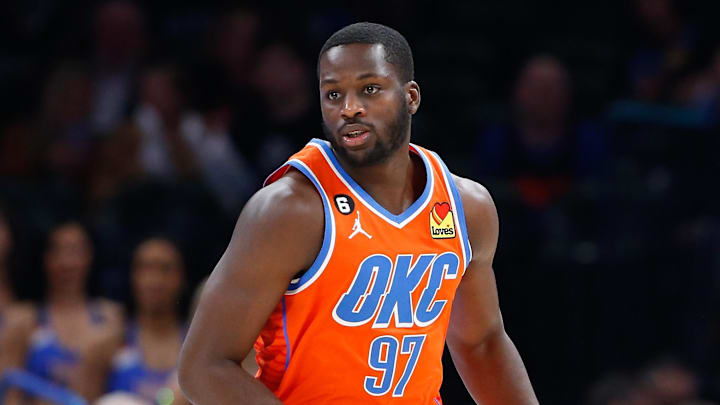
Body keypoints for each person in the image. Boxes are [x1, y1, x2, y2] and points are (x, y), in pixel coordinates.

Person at [178, 22, 538, 404]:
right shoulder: (290, 209)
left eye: (369, 89)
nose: (349, 108)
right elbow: (203, 367)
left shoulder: (467, 208)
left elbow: (481, 343)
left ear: (411, 97)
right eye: (333, 94)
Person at [2, 221, 123, 402]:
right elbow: (8, 390)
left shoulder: (110, 317)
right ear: (45, 258)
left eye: (75, 251)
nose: (66, 262)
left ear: (90, 255)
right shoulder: (23, 319)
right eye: (57, 251)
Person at [106, 238, 186, 403]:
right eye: (146, 268)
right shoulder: (109, 342)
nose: (154, 280)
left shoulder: (198, 347)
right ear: (133, 276)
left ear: (181, 278)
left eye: (165, 269)